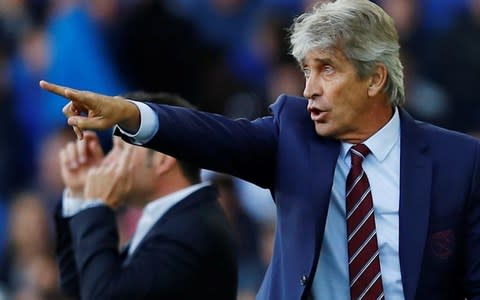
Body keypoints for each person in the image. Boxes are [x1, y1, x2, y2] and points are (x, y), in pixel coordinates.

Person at [41, 0, 480, 299]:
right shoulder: (293, 135)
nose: (309, 89)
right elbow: (210, 135)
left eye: (326, 70)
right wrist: (127, 113)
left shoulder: (459, 163)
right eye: (305, 70)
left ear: (375, 78)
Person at [53, 93, 238, 300]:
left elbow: (103, 295)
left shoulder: (194, 229)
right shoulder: (181, 218)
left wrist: (96, 206)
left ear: (162, 158)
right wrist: (80, 195)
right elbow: (81, 290)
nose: (107, 162)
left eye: (121, 149)